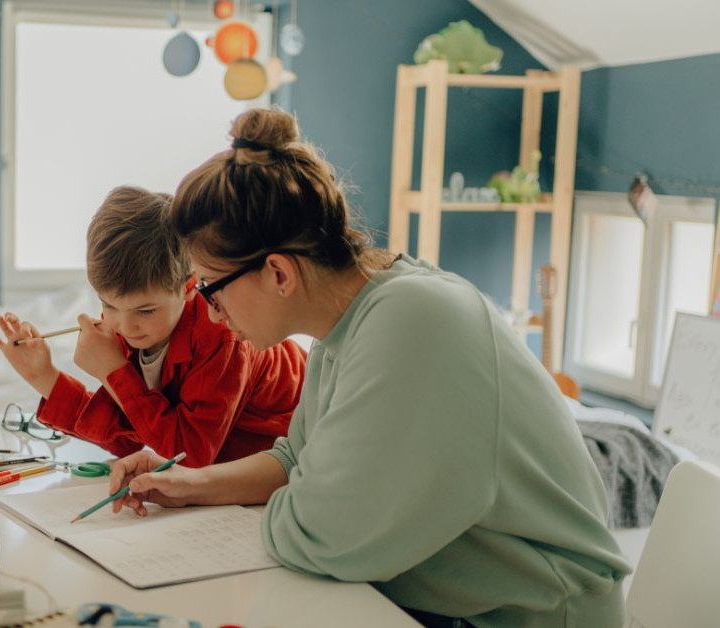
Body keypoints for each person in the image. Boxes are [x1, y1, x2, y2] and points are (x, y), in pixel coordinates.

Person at [107, 109, 630, 627]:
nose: (211, 311)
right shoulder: (346, 324)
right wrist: (190, 483)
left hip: (528, 619)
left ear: (278, 273)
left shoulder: (412, 320)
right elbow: (295, 459)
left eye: (211, 287)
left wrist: (302, 495)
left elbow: (324, 537)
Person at [0, 185, 306, 467]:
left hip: (301, 445)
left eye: (145, 310)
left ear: (188, 286)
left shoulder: (221, 335)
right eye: (108, 305)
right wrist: (44, 376)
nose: (125, 326)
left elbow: (189, 455)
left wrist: (113, 372)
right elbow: (127, 437)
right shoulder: (137, 329)